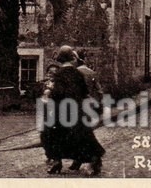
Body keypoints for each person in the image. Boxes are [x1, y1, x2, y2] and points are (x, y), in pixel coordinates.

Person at [43, 45, 105, 176]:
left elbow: (58, 93)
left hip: (62, 111)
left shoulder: (59, 74)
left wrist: (50, 92)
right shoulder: (78, 73)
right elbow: (84, 93)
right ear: (72, 58)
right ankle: (94, 159)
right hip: (77, 110)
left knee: (50, 134)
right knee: (83, 136)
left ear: (60, 58)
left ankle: (56, 161)